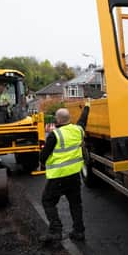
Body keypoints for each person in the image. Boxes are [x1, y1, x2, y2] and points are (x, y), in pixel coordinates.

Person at [39, 102, 90, 242]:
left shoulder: (54, 135)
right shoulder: (78, 130)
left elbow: (43, 157)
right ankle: (79, 232)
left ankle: (56, 231)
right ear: (69, 119)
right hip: (74, 176)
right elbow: (83, 120)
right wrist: (87, 107)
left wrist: (43, 162)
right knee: (75, 203)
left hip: (58, 177)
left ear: (58, 120)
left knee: (48, 201)